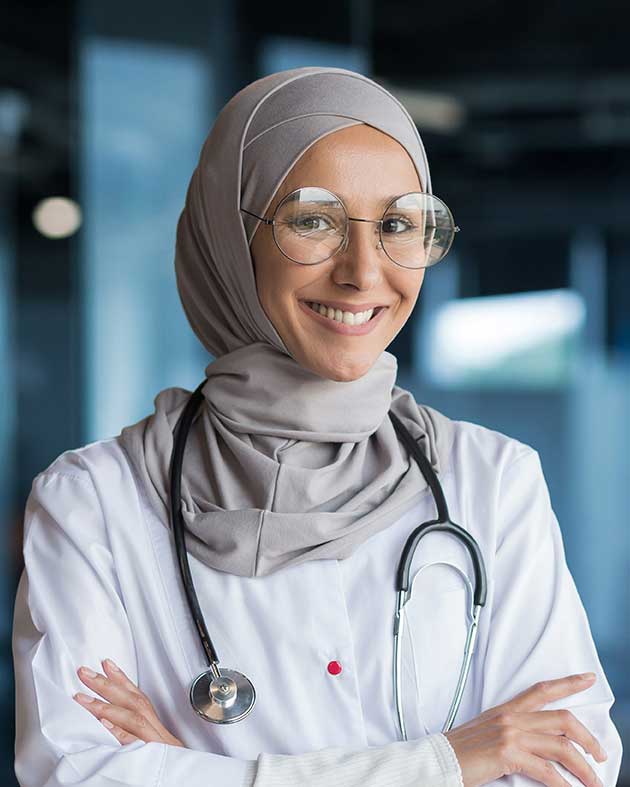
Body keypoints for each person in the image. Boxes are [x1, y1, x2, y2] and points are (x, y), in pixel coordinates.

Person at [12, 66, 622, 787]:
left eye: (397, 224)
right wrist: (445, 763)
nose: (364, 272)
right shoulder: (94, 502)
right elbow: (76, 775)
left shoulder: (492, 481)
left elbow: (569, 765)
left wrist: (191, 766)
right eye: (314, 220)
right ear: (229, 236)